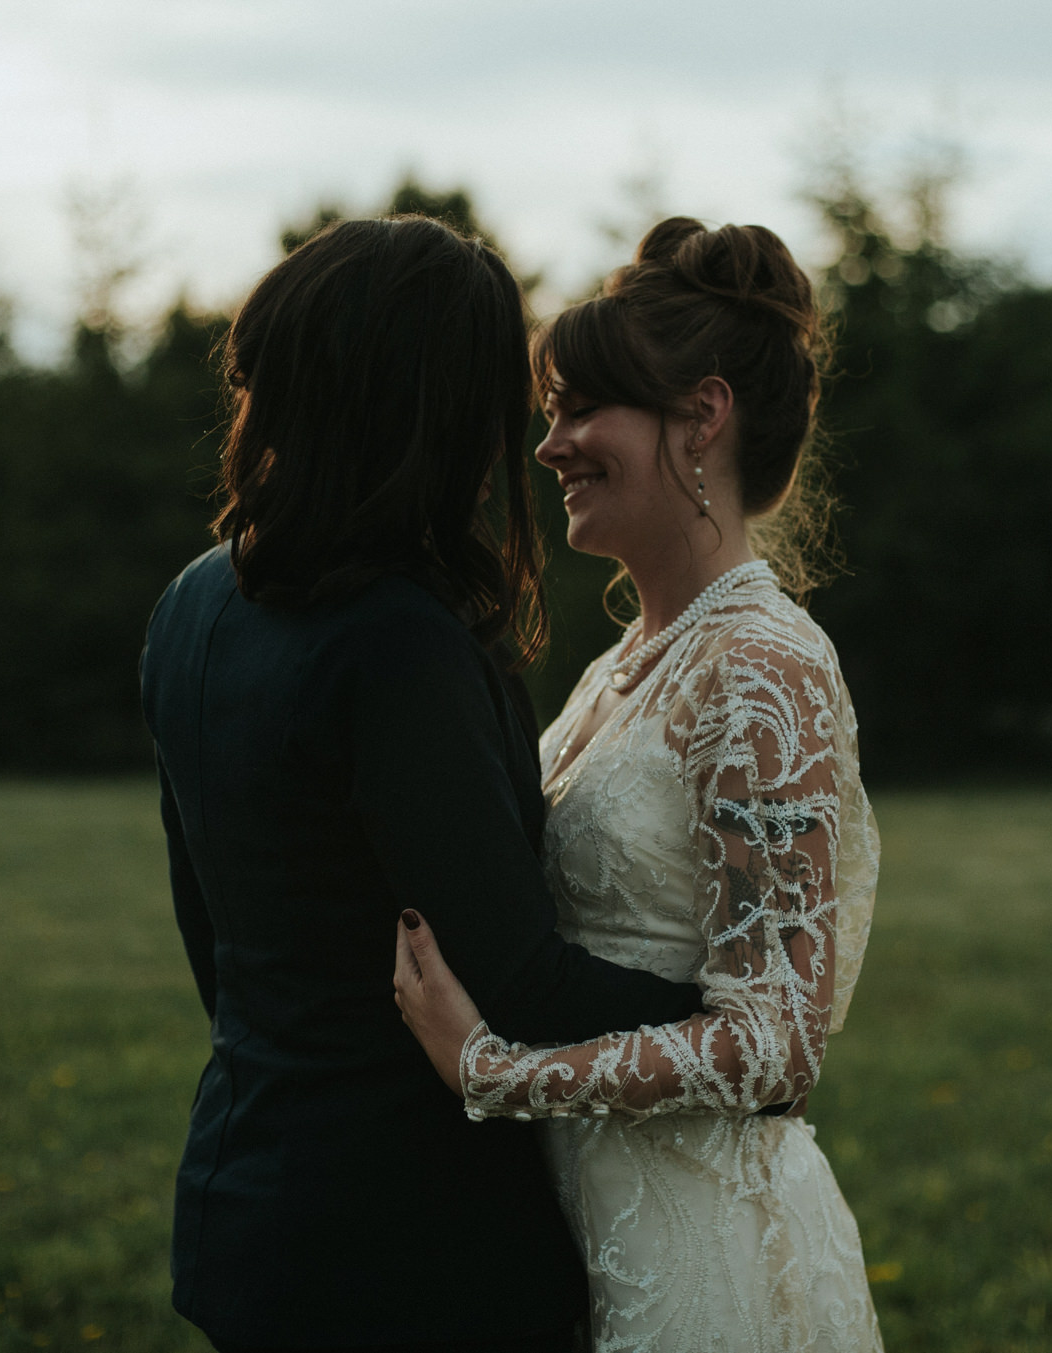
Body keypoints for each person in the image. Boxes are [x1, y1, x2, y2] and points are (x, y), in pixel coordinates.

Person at [140, 216, 708, 1353]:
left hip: (248, 1197)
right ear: (436, 407)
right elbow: (522, 982)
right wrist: (739, 1034)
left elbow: (212, 936)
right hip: (409, 1249)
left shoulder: (196, 599)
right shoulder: (394, 640)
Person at [393, 218, 884, 1351]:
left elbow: (775, 1041)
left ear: (701, 417)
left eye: (580, 410)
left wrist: (494, 1072)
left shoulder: (760, 665)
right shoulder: (627, 660)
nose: (549, 444)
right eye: (551, 412)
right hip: (586, 1232)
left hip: (708, 1248)